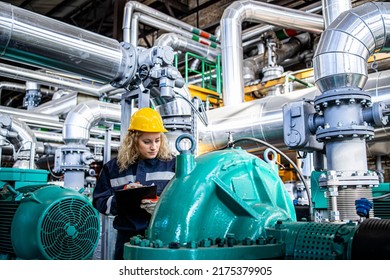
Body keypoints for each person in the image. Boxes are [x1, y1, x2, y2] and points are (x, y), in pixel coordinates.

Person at [92, 107, 176, 260]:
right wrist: (124, 197)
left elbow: (184, 201)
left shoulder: (172, 165)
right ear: (133, 140)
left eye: (157, 140)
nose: (154, 147)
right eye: (147, 142)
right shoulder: (113, 169)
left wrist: (160, 206)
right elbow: (99, 201)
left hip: (162, 238)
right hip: (126, 240)